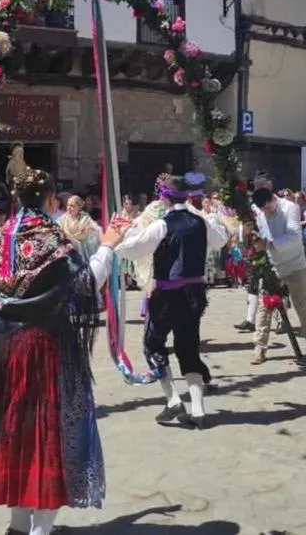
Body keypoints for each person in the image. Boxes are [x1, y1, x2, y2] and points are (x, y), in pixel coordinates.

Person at [0, 167, 129, 535]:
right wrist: (108, 245)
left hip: (7, 351)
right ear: (52, 199)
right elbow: (85, 284)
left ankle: (19, 525)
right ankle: (40, 529)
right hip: (45, 348)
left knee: (15, 429)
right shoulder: (50, 238)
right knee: (47, 430)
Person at [114, 175, 228, 429]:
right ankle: (198, 410)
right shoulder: (200, 222)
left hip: (167, 297)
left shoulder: (162, 225)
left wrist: (120, 237)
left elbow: (134, 249)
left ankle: (173, 399)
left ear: (164, 198)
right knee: (189, 347)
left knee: (152, 344)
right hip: (195, 295)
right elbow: (220, 239)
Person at [250, 187, 306, 365]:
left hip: (294, 264)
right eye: (263, 209)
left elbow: (294, 235)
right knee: (264, 306)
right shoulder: (260, 213)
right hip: (273, 266)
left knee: (301, 305)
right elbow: (261, 234)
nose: (266, 212)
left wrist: (270, 244)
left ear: (273, 199)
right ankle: (259, 347)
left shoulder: (291, 208)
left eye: (268, 208)